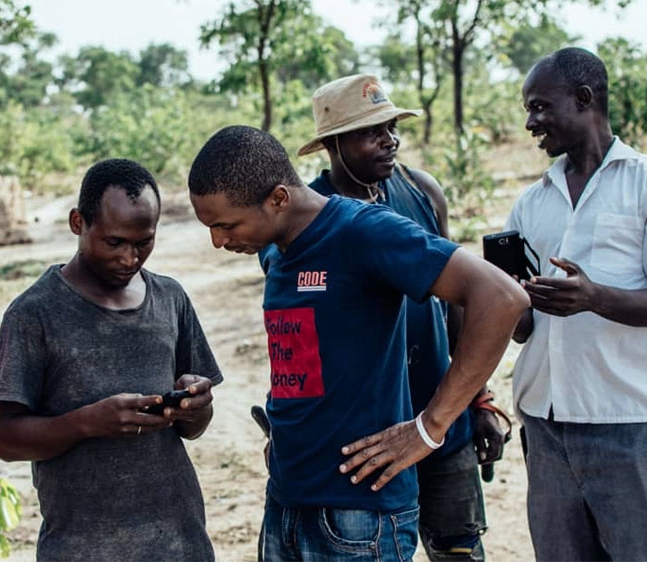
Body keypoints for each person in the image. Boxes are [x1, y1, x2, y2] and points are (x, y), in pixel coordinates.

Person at [188, 125, 529, 561]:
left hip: (360, 517)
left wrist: (430, 427)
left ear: (278, 199)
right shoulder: (275, 249)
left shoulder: (362, 231)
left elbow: (501, 298)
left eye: (226, 225)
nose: (218, 242)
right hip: (288, 500)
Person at [274, 73, 509, 560]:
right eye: (370, 132)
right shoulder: (305, 219)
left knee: (459, 548)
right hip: (364, 444)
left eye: (391, 127)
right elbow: (296, 338)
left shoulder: (421, 192)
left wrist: (478, 400)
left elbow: (457, 304)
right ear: (332, 145)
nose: (389, 141)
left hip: (438, 417)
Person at [508, 47, 647, 562]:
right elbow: (523, 327)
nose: (530, 123)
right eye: (528, 110)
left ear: (584, 99)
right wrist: (506, 301)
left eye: (540, 107)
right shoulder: (532, 201)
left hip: (626, 420)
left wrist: (593, 297)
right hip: (544, 421)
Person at [0, 158, 222, 561]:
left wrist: (196, 406)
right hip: (82, 548)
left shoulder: (170, 299)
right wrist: (87, 422)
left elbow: (193, 429)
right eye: (114, 243)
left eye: (143, 242)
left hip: (180, 543)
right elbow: (4, 439)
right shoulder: (33, 314)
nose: (130, 258)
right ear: (78, 222)